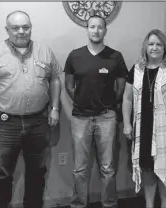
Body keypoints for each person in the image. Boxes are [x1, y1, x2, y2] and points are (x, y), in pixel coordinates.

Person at [0, 10, 61, 208]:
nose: (21, 31)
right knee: (3, 174)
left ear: (31, 28)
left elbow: (55, 79)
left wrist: (55, 108)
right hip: (6, 124)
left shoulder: (45, 51)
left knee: (37, 172)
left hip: (39, 122)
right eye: (15, 28)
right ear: (7, 29)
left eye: (26, 27)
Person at [64, 15, 128, 208]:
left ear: (105, 31)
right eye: (92, 27)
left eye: (100, 27)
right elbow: (69, 85)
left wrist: (106, 103)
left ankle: (109, 203)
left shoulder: (115, 57)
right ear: (87, 29)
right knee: (79, 168)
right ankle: (78, 204)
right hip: (80, 118)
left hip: (107, 117)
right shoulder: (75, 56)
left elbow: (120, 87)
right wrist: (84, 101)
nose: (96, 30)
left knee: (108, 167)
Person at [122, 29, 166, 208]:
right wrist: (127, 124)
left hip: (165, 129)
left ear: (164, 48)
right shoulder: (136, 69)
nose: (154, 47)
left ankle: (165, 205)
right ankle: (150, 205)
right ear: (145, 47)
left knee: (164, 170)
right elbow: (127, 99)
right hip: (142, 129)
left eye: (159, 44)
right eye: (151, 44)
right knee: (147, 170)